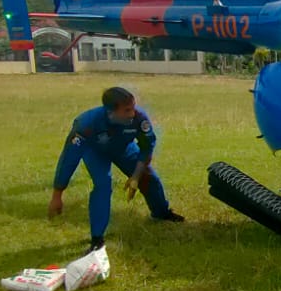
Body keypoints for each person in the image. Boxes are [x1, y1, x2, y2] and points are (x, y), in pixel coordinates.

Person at [48, 86, 184, 249]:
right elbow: (68, 159)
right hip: (95, 152)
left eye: (133, 108)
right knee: (103, 185)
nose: (132, 114)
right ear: (110, 112)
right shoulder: (86, 125)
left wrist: (136, 176)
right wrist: (57, 195)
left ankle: (162, 213)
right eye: (126, 110)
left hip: (123, 149)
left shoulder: (139, 119)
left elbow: (147, 147)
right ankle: (97, 238)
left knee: (149, 177)